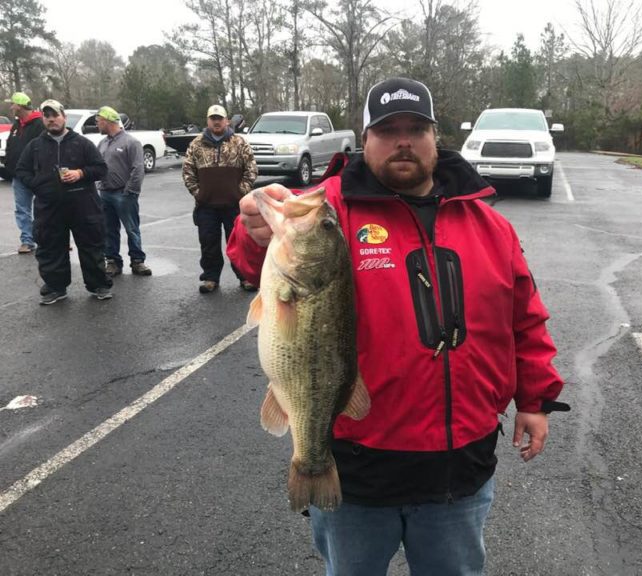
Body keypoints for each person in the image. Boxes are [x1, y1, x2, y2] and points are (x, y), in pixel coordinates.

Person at [226, 77, 569, 575]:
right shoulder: (328, 209)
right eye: (387, 131)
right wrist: (253, 230)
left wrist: (535, 401)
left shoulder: (491, 225)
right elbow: (253, 248)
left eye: (416, 129)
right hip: (359, 470)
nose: (403, 141)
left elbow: (525, 319)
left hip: (460, 470)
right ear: (364, 140)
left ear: (436, 138)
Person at [15, 99, 113, 305]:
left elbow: (101, 169)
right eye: (47, 116)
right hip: (49, 208)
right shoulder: (35, 146)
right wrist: (39, 184)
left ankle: (99, 285)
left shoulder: (82, 143)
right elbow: (21, 171)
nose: (51, 120)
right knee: (50, 248)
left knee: (91, 246)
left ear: (64, 118)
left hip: (84, 206)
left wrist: (81, 173)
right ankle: (55, 288)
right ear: (43, 119)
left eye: (55, 115)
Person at [182, 104, 258, 294]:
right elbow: (188, 171)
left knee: (239, 243)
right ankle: (210, 277)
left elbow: (252, 169)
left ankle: (245, 277)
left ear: (226, 120)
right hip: (206, 206)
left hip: (233, 205)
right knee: (208, 242)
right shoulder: (196, 144)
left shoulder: (239, 143)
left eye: (220, 118)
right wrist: (198, 193)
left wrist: (241, 192)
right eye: (213, 118)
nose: (216, 122)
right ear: (208, 121)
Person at [95, 105, 152, 277]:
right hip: (105, 193)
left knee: (132, 228)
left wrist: (130, 191)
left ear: (107, 121)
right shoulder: (102, 143)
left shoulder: (131, 142)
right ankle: (112, 261)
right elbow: (98, 166)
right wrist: (98, 185)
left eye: (98, 122)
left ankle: (137, 261)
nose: (97, 125)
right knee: (108, 229)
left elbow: (138, 169)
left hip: (123, 194)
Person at [3, 92, 45, 254]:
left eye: (13, 104)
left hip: (37, 175)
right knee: (22, 209)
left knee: (45, 208)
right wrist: (8, 164)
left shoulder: (39, 124)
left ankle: (50, 239)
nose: (11, 107)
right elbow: (11, 145)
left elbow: (43, 149)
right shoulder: (17, 124)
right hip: (18, 176)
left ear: (19, 105)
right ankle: (27, 240)